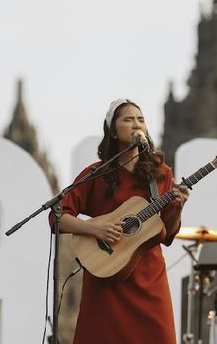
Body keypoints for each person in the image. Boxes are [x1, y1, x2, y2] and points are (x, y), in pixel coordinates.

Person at [51, 98, 189, 343]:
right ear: (113, 131)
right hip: (105, 279)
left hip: (150, 282)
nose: (136, 124)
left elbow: (166, 234)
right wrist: (95, 227)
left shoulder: (161, 173)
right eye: (128, 119)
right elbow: (58, 217)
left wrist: (177, 207)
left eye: (141, 119)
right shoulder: (97, 174)